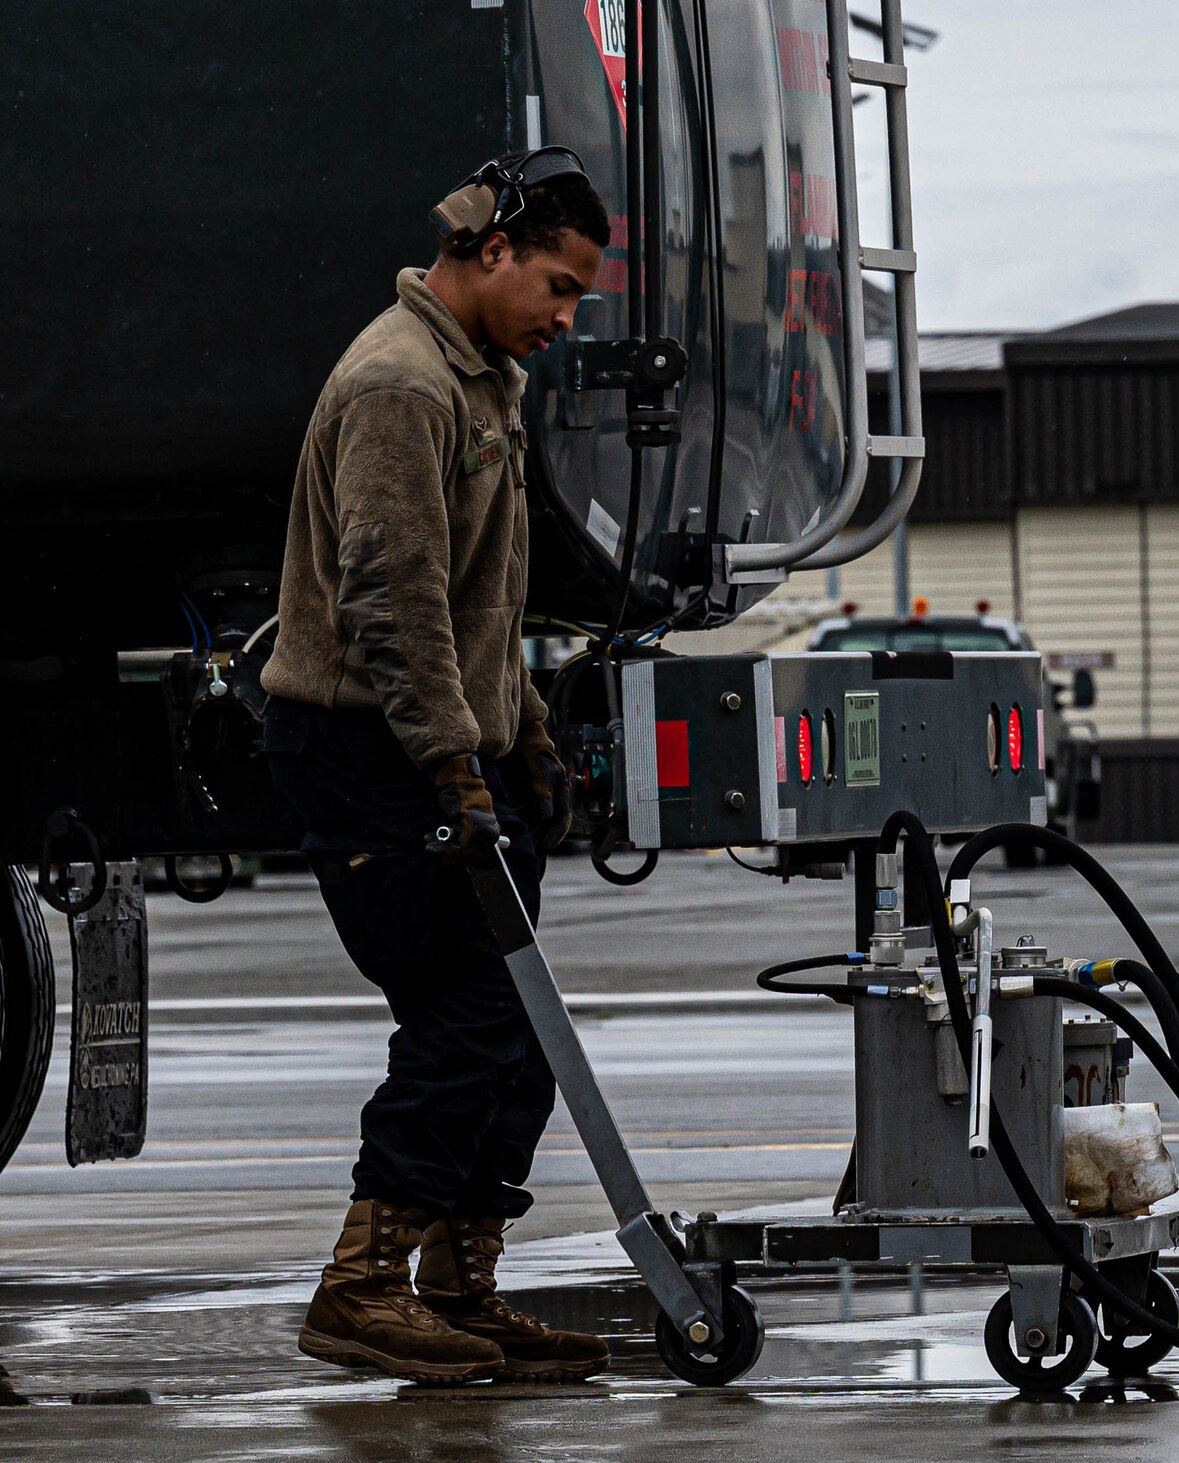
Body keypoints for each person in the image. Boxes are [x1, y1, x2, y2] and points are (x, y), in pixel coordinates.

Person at [260, 149, 611, 1386]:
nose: (566, 320)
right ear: (492, 249)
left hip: (448, 741)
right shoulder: (401, 385)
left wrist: (522, 731)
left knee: (519, 1026)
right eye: (559, 289)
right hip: (373, 747)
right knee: (466, 1016)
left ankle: (460, 1288)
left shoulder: (481, 380)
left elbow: (480, 600)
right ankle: (360, 1288)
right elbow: (392, 600)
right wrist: (455, 767)